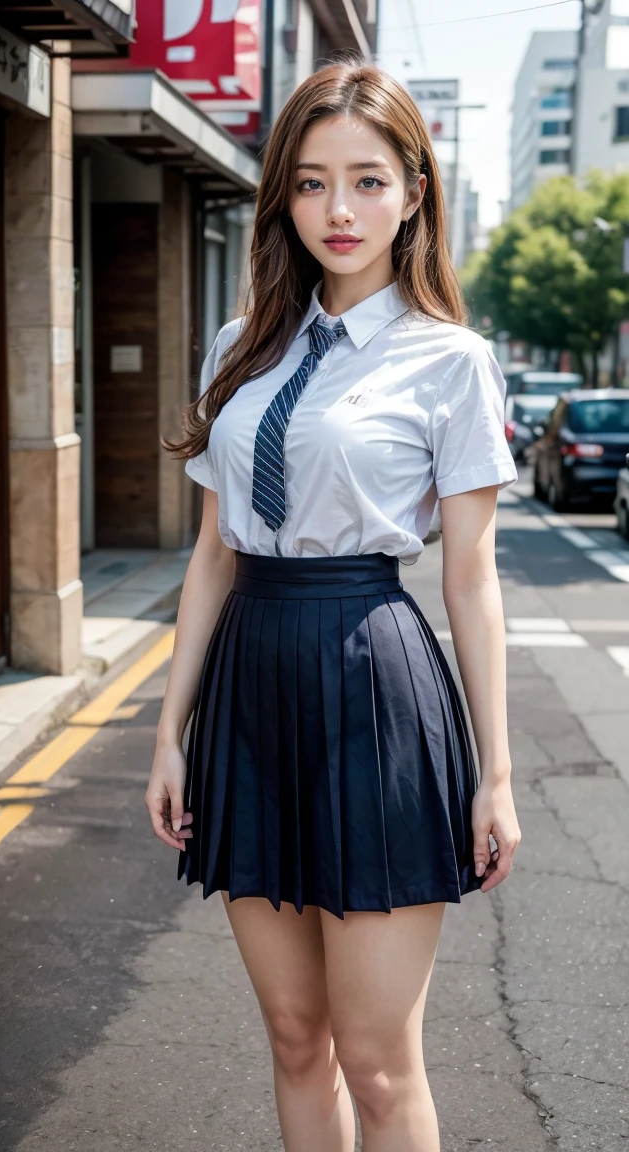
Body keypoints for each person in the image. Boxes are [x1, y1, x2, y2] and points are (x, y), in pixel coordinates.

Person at [146, 58, 522, 1152]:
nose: (338, 210)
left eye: (366, 180)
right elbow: (214, 556)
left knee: (378, 1056)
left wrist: (495, 774)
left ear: (414, 191)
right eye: (310, 184)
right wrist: (170, 734)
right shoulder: (242, 345)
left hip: (374, 680)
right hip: (251, 685)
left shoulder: (452, 361)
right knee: (294, 1034)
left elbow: (470, 578)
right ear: (283, 199)